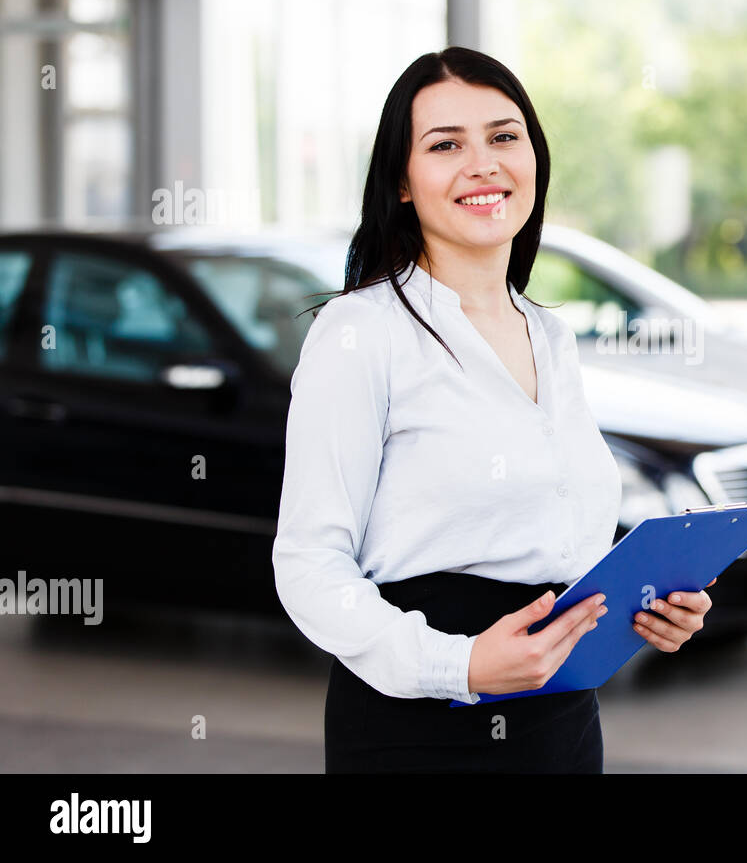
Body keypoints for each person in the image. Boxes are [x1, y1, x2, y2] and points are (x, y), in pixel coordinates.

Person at [272, 48, 716, 773]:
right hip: (420, 729)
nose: (483, 164)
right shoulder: (362, 333)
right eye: (446, 145)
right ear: (402, 182)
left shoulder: (551, 335)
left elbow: (553, 537)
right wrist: (462, 665)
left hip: (561, 721)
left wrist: (645, 604)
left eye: (504, 137)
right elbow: (307, 566)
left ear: (534, 160)